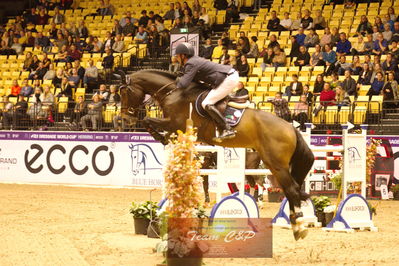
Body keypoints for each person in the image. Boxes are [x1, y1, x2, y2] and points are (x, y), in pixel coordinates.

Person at [174, 42, 239, 141]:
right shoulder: (193, 61)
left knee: (206, 103)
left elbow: (183, 84)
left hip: (228, 78)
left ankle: (227, 129)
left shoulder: (191, 63)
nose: (176, 58)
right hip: (226, 76)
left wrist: (177, 80)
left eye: (177, 56)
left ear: (183, 55)